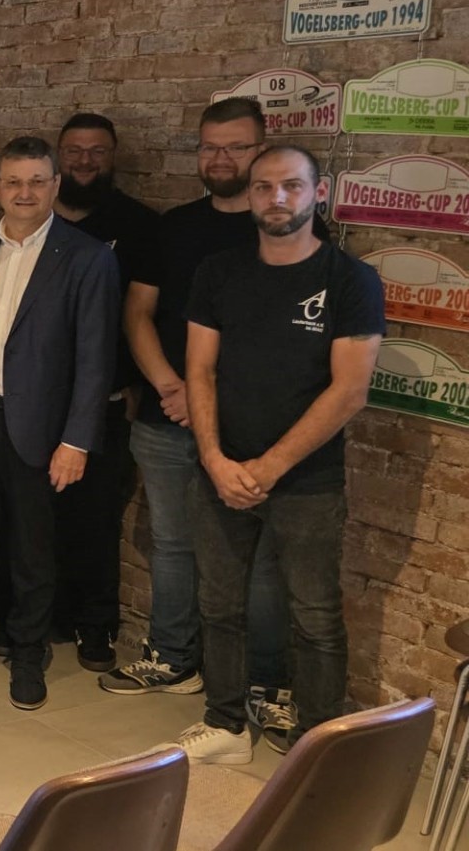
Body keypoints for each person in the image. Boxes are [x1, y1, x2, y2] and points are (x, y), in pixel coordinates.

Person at [163, 145, 382, 764]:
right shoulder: (219, 272)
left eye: (291, 186)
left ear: (319, 193)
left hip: (306, 482)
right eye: (264, 188)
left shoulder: (349, 280)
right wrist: (212, 457)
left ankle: (317, 745)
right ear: (250, 196)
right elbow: (199, 371)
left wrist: (266, 469)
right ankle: (226, 725)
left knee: (314, 615)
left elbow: (350, 390)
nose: (276, 199)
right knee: (219, 604)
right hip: (219, 470)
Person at [107, 98, 296, 751]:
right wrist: (169, 385)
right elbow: (139, 313)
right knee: (171, 541)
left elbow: (284, 339)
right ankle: (172, 656)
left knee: (261, 559)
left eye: (236, 147)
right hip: (167, 413)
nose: (220, 158)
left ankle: (266, 686)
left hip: (249, 427)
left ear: (262, 148)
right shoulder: (175, 227)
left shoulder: (288, 229)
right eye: (210, 146)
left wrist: (211, 399)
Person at [0, 136, 117, 711]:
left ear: (55, 186)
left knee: (33, 551)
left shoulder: (87, 257)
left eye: (36, 181)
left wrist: (76, 440)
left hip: (42, 430)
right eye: (13, 182)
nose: (24, 192)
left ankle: (29, 655)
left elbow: (94, 358)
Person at [50, 113, 159, 673]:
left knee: (96, 519)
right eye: (75, 150)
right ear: (58, 156)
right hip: (36, 398)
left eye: (97, 151)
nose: (85, 161)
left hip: (106, 397)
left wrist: (139, 384)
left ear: (112, 156)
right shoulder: (32, 220)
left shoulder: (139, 225)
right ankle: (42, 615)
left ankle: (96, 625)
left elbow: (144, 316)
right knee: (35, 517)